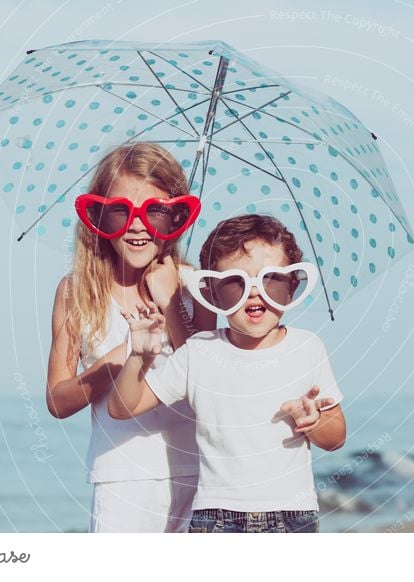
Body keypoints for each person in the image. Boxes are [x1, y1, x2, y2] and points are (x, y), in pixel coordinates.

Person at [109, 214, 346, 533]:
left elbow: (335, 438)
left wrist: (314, 421)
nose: (254, 293)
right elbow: (123, 407)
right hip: (217, 518)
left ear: (292, 287)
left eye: (271, 280)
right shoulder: (199, 352)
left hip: (293, 514)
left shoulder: (306, 348)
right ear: (213, 294)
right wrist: (139, 356)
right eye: (235, 283)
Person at [45, 143, 213, 533]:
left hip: (199, 475)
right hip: (121, 476)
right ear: (98, 215)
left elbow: (211, 385)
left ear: (175, 217)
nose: (137, 226)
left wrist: (172, 304)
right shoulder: (77, 292)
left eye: (154, 211)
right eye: (121, 211)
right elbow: (57, 400)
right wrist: (123, 356)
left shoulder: (193, 286)